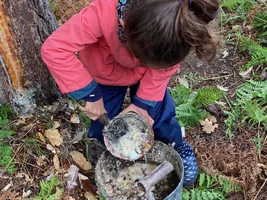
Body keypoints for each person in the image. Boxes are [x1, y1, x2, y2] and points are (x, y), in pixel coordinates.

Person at [41, 0, 220, 186]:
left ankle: (175, 144)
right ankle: (106, 154)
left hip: (147, 75)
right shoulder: (101, 13)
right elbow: (55, 49)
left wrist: (143, 104)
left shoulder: (178, 26)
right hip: (105, 71)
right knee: (104, 123)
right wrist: (90, 95)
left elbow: (164, 68)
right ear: (124, 25)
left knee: (158, 112)